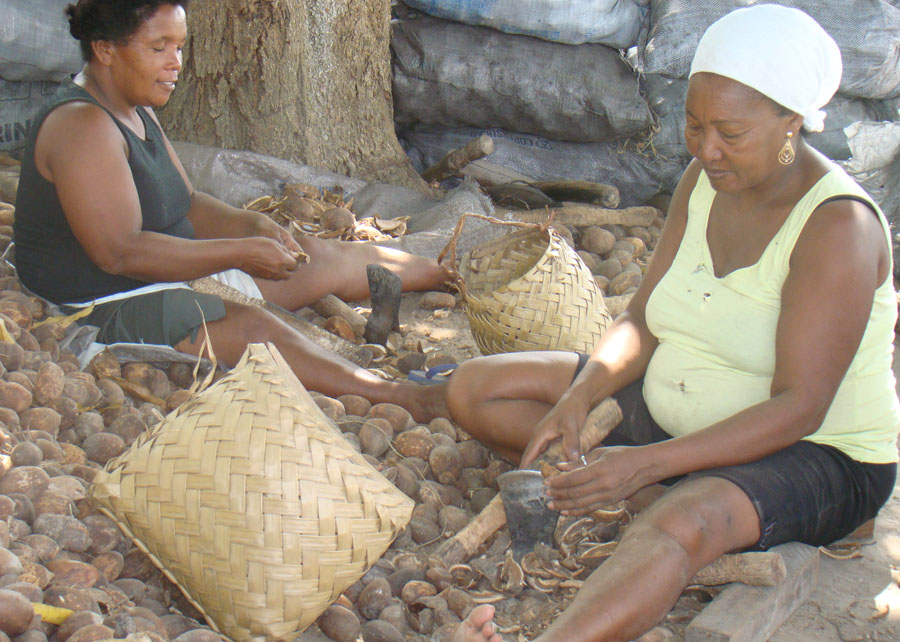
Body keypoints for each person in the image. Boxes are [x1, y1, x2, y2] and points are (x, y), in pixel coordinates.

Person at [445, 6, 899, 642]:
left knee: (683, 521)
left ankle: (641, 539)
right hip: (679, 420)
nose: (705, 148)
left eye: (730, 133)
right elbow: (643, 321)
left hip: (818, 452)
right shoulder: (703, 181)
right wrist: (582, 397)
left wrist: (648, 464)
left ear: (791, 123)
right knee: (476, 387)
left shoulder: (836, 227)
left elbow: (802, 407)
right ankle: (658, 490)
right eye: (694, 125)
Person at [14, 0, 450, 421]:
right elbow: (120, 254)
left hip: (166, 268)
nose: (176, 62)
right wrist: (238, 253)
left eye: (180, 47)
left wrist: (251, 225)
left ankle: (448, 274)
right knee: (255, 330)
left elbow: (189, 203)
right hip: (103, 301)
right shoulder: (81, 126)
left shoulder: (135, 105)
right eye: (158, 47)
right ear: (105, 48)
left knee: (316, 256)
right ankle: (403, 397)